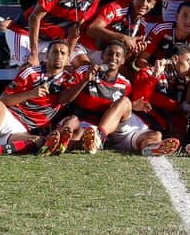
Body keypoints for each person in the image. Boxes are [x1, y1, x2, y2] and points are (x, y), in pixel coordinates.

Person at [52, 41, 181, 157]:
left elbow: (123, 108)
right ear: (102, 56)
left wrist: (134, 105)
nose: (113, 58)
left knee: (156, 135)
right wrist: (85, 80)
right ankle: (55, 143)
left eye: (117, 55)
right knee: (73, 127)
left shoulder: (124, 84)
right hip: (79, 119)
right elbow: (63, 99)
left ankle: (150, 148)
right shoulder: (85, 71)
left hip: (99, 127)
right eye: (109, 54)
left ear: (123, 60)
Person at [0, 0, 102, 68]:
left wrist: (67, 57)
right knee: (29, 68)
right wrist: (34, 54)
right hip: (25, 33)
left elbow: (76, 29)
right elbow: (34, 17)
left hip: (54, 40)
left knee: (81, 64)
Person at [82, 0, 159, 70]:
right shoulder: (115, 8)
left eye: (149, 1)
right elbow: (92, 29)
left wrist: (133, 51)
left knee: (129, 74)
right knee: (86, 70)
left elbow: (125, 60)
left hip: (107, 57)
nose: (144, 4)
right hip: (86, 49)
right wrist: (123, 38)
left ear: (153, 4)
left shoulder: (142, 25)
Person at [130, 44, 190, 143]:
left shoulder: (182, 83)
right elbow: (140, 102)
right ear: (175, 58)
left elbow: (181, 114)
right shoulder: (148, 72)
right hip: (139, 124)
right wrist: (155, 76)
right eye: (189, 61)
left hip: (160, 128)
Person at [139, 1, 190, 68]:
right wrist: (153, 70)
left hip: (184, 76)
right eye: (184, 15)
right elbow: (141, 59)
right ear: (177, 16)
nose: (187, 21)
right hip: (156, 71)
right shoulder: (161, 30)